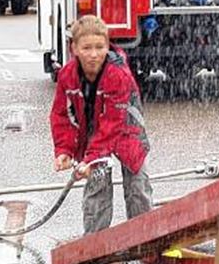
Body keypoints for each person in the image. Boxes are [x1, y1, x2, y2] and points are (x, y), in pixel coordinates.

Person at [50, 15, 153, 233]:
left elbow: (113, 123)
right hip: (94, 130)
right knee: (97, 185)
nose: (94, 54)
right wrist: (64, 150)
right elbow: (61, 115)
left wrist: (91, 157)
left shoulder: (117, 74)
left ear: (108, 46)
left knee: (137, 186)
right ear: (74, 48)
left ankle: (144, 237)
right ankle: (95, 241)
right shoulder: (67, 75)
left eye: (99, 47)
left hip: (127, 129)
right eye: (86, 48)